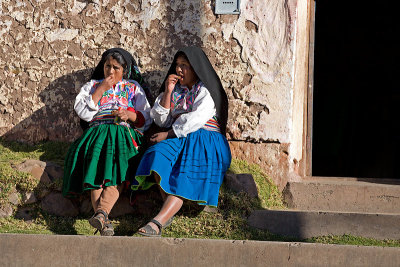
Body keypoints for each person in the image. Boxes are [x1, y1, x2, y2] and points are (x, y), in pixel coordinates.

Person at [132, 46, 232, 237]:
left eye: (185, 65)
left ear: (196, 68)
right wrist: (168, 92)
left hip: (205, 140)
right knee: (155, 155)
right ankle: (169, 209)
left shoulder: (205, 90)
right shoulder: (176, 91)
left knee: (184, 172)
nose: (179, 70)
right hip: (181, 138)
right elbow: (162, 120)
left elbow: (195, 119)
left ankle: (157, 223)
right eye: (177, 65)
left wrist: (168, 134)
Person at [62, 48, 151, 236]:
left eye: (116, 68)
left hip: (122, 134)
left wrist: (129, 114)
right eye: (107, 66)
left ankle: (101, 215)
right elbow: (84, 113)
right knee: (96, 169)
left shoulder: (133, 87)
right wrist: (101, 89)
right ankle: (104, 219)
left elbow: (147, 117)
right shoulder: (93, 85)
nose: (110, 72)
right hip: (96, 132)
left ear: (125, 70)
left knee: (118, 169)